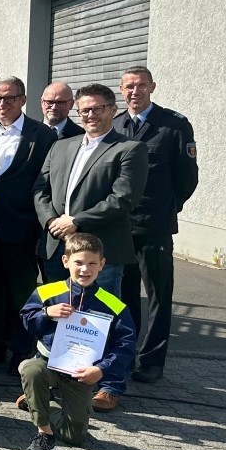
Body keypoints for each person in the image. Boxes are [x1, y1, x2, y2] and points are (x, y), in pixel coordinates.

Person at [33, 82, 148, 413]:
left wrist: (76, 221)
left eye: (98, 108)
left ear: (113, 110)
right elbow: (40, 187)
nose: (91, 115)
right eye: (84, 110)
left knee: (103, 318)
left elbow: (124, 199)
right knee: (62, 315)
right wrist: (51, 221)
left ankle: (110, 385)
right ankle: (54, 382)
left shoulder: (129, 149)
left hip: (102, 252)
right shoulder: (62, 146)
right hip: (58, 246)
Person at [111, 66, 198, 385]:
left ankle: (151, 361)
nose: (135, 92)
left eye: (141, 86)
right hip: (121, 227)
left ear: (152, 87)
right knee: (125, 293)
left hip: (156, 226)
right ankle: (126, 353)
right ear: (121, 89)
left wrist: (168, 208)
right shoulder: (116, 124)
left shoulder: (173, 125)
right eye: (129, 87)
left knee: (159, 295)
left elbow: (187, 177)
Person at [18, 233, 136, 450]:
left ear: (102, 264)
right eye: (78, 263)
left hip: (81, 375)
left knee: (75, 436)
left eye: (92, 263)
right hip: (48, 363)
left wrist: (101, 370)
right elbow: (26, 319)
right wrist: (45, 314)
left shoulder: (113, 304)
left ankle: (37, 403)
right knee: (31, 369)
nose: (85, 269)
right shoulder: (46, 292)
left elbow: (126, 344)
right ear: (65, 262)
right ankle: (44, 434)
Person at [0, 77, 55, 366]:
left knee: (22, 294)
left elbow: (47, 184)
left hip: (21, 229)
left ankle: (21, 350)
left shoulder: (43, 135)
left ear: (22, 99)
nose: (1, 104)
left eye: (8, 98)